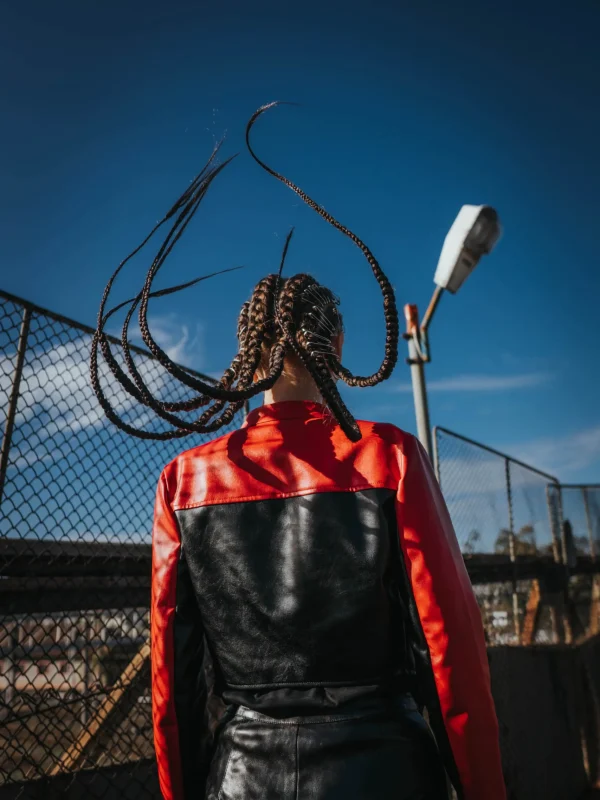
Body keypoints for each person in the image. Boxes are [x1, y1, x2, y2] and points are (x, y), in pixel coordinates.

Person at [91, 103, 506, 800]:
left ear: (244, 352)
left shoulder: (183, 482)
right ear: (337, 351)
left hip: (241, 776)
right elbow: (452, 651)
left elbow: (173, 683)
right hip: (386, 771)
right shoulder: (387, 456)